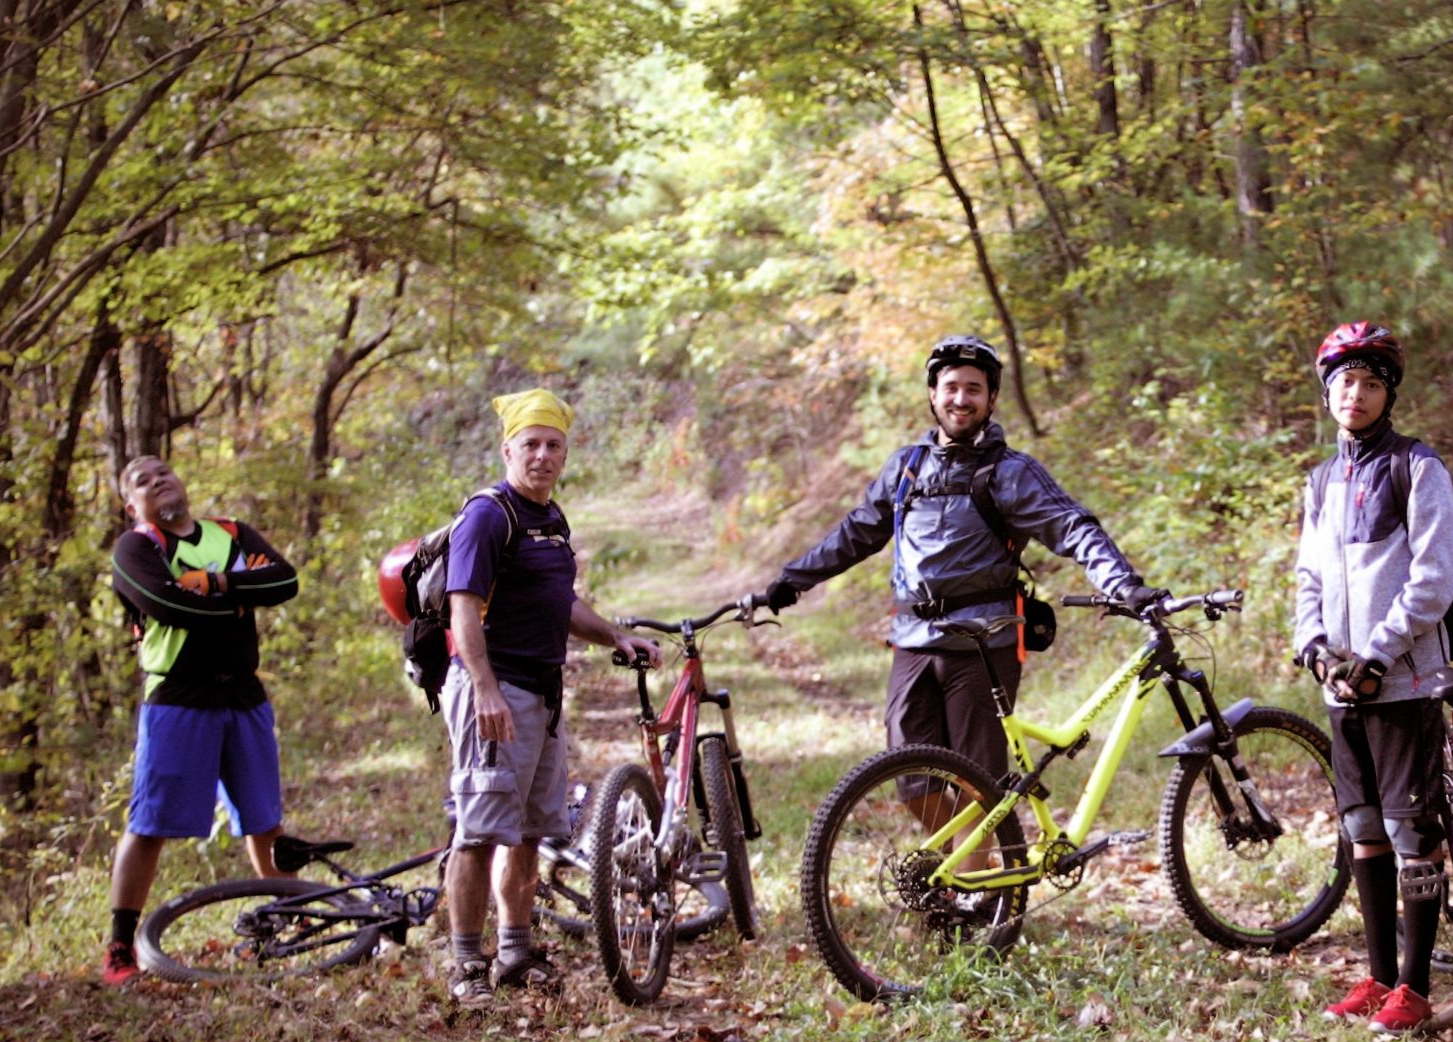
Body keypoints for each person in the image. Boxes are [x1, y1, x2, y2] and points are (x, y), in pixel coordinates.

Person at [741, 333, 1157, 788]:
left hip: (985, 643)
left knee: (979, 785)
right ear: (933, 394)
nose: (961, 399)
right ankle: (959, 860)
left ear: (992, 398)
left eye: (974, 389)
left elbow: (1072, 527)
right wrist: (794, 580)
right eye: (952, 387)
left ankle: (981, 861)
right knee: (913, 782)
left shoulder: (1010, 472)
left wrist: (1123, 585)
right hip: (913, 640)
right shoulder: (907, 468)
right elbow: (858, 531)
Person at [442, 389, 661, 1004]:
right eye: (530, 444)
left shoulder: (551, 519)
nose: (541, 456)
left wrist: (614, 634)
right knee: (479, 830)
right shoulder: (488, 516)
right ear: (507, 448)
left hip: (543, 691)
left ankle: (513, 953)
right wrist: (485, 690)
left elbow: (560, 605)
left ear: (565, 452)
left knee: (531, 832)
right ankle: (465, 964)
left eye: (553, 445)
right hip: (495, 688)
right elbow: (463, 610)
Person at [1292, 321, 1453, 1034]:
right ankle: (1378, 975)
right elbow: (1308, 576)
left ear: (1387, 392)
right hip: (1342, 685)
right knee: (1363, 828)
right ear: (1327, 392)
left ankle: (1416, 990)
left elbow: (1433, 579)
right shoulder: (1322, 480)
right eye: (1342, 382)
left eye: (1367, 382)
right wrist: (1313, 645)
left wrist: (1380, 652)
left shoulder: (1417, 468)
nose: (1353, 394)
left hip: (1404, 680)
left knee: (1410, 829)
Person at [104, 454, 302, 985]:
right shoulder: (135, 548)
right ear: (132, 505)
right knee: (149, 824)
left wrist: (213, 586)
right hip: (177, 698)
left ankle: (284, 925)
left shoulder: (232, 532)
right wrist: (238, 594)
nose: (158, 481)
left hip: (243, 694)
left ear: (181, 479)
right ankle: (121, 946)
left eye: (164, 472)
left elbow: (284, 583)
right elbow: (167, 606)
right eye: (142, 482)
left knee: (264, 819)